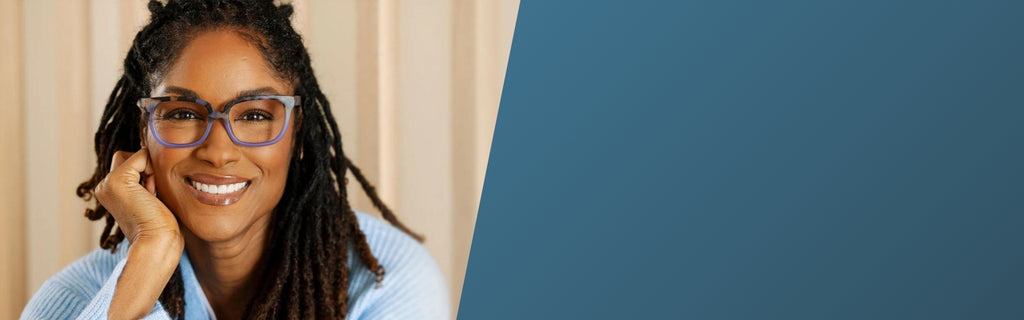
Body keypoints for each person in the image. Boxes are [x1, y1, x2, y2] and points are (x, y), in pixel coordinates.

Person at [20, 0, 448, 319]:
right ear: (143, 131)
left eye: (255, 116)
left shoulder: (386, 283)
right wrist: (148, 260)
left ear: (296, 133)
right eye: (184, 113)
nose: (219, 152)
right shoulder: (76, 302)